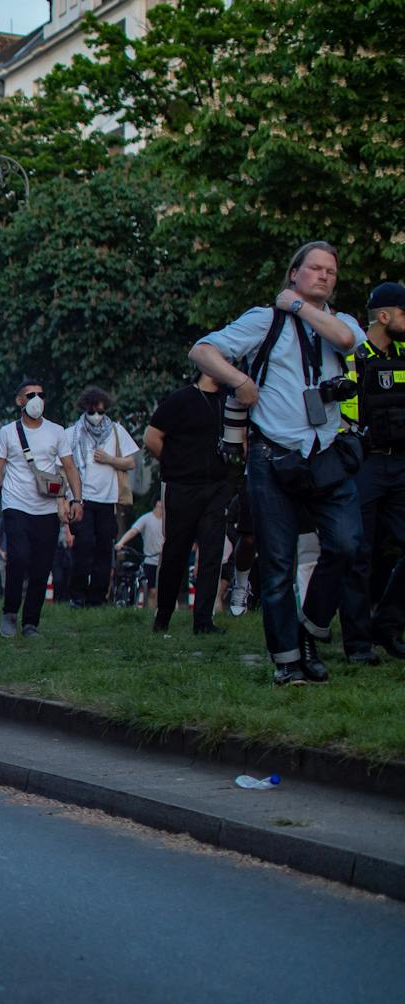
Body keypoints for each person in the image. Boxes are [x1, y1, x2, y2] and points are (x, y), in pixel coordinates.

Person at [190, 240, 363, 685]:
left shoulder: (340, 322)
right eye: (315, 269)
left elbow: (346, 342)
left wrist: (300, 307)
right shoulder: (264, 320)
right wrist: (240, 380)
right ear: (294, 272)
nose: (324, 276)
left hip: (326, 454)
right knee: (279, 562)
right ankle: (287, 660)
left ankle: (310, 629)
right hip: (272, 455)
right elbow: (202, 351)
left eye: (331, 271)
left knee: (347, 544)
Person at [0, 379, 85, 638]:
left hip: (47, 510)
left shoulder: (56, 431)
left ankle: (31, 623)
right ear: (20, 401)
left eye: (41, 394)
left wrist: (77, 499)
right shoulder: (7, 432)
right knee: (18, 557)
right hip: (15, 505)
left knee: (42, 567)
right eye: (31, 395)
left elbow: (70, 467)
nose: (37, 399)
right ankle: (9, 614)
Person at [338, 281, 405, 661]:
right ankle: (358, 643)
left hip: (401, 463)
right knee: (358, 554)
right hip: (364, 462)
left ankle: (389, 624)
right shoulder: (353, 357)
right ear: (385, 316)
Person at [146, 371, 233, 634]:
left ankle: (204, 621)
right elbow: (151, 438)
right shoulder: (179, 400)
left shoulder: (229, 401)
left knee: (212, 553)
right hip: (181, 486)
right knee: (175, 552)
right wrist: (176, 466)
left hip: (217, 487)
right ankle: (163, 616)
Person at [63, 387, 138, 607]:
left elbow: (131, 462)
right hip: (82, 500)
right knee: (83, 545)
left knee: (104, 549)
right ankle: (77, 595)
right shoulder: (72, 433)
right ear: (85, 409)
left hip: (108, 501)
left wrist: (109, 459)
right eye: (92, 412)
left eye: (100, 412)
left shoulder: (115, 431)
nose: (96, 416)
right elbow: (64, 467)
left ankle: (97, 598)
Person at [117, 499, 167, 612]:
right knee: (152, 591)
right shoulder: (147, 518)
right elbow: (134, 531)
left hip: (164, 560)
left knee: (167, 590)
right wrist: (121, 542)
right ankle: (150, 613)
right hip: (150, 561)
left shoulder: (168, 520)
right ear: (157, 503)